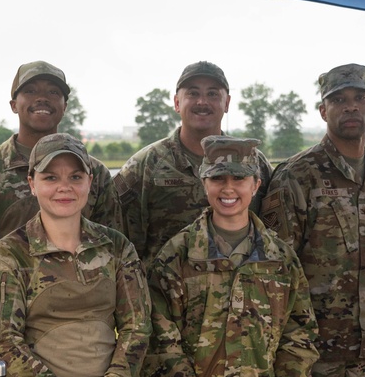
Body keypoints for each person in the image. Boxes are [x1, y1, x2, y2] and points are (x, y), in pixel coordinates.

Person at [0, 133, 150, 377]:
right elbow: (0, 341)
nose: (64, 187)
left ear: (90, 182)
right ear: (32, 183)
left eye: (75, 177)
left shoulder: (116, 247)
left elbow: (137, 328)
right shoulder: (10, 254)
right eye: (50, 177)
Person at [147, 136, 318, 377]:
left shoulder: (280, 259)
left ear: (255, 184)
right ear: (204, 183)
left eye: (239, 178)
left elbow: (298, 333)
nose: (228, 188)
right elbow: (160, 337)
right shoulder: (177, 255)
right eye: (217, 178)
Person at [259, 64, 365, 377]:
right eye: (339, 100)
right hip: (313, 355)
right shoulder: (297, 175)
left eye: (359, 98)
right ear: (323, 110)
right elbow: (276, 271)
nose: (351, 107)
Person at [0, 61, 122, 304]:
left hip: (85, 314)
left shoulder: (93, 172)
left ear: (65, 106)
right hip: (11, 314)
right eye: (30, 91)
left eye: (53, 92)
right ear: (14, 105)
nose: (42, 98)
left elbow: (113, 249)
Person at [114, 61, 273, 261]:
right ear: (177, 102)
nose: (202, 102)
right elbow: (120, 243)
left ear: (227, 103)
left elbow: (272, 237)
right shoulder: (145, 166)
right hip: (164, 288)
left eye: (213, 94)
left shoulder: (254, 163)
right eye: (193, 93)